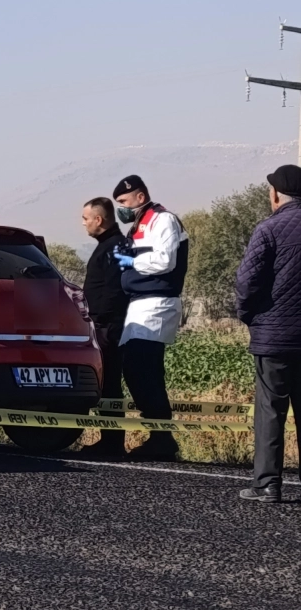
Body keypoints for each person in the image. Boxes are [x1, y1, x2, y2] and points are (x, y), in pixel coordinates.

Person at [233, 164, 301, 503]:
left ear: (275, 195)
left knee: (271, 410)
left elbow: (247, 283)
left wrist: (250, 317)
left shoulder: (268, 229)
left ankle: (267, 484)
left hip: (274, 337)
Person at [113, 174, 187, 460]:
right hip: (139, 305)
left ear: (140, 197)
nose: (121, 207)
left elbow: (165, 261)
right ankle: (158, 434)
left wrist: (133, 262)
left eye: (124, 201)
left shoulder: (163, 220)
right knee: (135, 369)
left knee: (145, 368)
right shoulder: (139, 224)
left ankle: (162, 438)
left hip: (158, 304)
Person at [80, 196, 128, 457]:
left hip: (109, 327)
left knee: (110, 384)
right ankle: (109, 438)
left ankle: (112, 441)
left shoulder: (115, 247)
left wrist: (101, 321)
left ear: (99, 220)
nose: (83, 224)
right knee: (106, 384)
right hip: (104, 325)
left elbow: (114, 289)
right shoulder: (108, 246)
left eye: (86, 219)